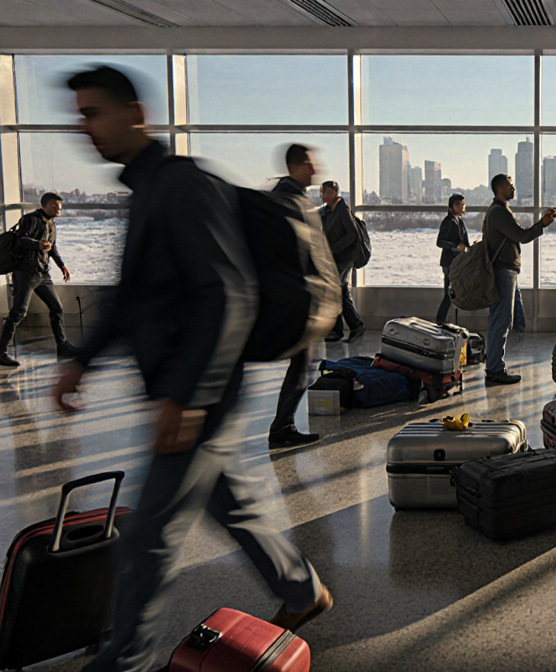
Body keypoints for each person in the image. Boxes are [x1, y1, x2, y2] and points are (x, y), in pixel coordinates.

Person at [53, 66, 332, 672]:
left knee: (150, 540)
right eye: (79, 114)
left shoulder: (181, 186)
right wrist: (82, 359)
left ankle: (123, 661)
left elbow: (228, 294)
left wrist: (188, 396)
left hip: (198, 390)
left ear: (135, 115)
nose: (84, 127)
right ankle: (302, 590)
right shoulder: (150, 187)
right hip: (186, 388)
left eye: (93, 112)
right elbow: (133, 295)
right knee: (231, 501)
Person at [268, 144, 323, 449]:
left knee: (304, 363)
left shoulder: (291, 196)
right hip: (294, 298)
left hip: (297, 295)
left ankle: (282, 425)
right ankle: (280, 428)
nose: (316, 170)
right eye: (310, 164)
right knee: (303, 362)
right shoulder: (287, 200)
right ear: (295, 166)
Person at [483, 173, 556, 385]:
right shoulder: (499, 212)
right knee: (501, 320)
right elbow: (522, 236)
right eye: (510, 186)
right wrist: (542, 223)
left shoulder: (499, 210)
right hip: (503, 271)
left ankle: (494, 365)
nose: (513, 188)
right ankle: (495, 369)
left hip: (506, 270)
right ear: (499, 189)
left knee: (503, 319)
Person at [0, 192, 77, 368]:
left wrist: (61, 265)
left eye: (60, 207)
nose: (58, 210)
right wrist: (38, 244)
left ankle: (63, 346)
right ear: (44, 205)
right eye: (54, 206)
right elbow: (21, 240)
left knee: (57, 308)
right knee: (18, 312)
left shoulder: (51, 222)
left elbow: (52, 247)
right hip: (25, 273)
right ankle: (1, 352)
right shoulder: (30, 219)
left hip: (43, 274)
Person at [320, 180, 365, 342]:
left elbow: (352, 234)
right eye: (323, 192)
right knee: (340, 291)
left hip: (345, 258)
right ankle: (347, 328)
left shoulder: (342, 210)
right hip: (333, 258)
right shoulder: (327, 212)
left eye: (328, 192)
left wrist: (335, 248)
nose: (325, 195)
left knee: (335, 290)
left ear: (335, 193)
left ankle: (349, 327)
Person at [436, 193, 469, 324]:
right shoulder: (448, 222)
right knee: (449, 294)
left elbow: (464, 241)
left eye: (463, 204)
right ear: (451, 207)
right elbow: (440, 242)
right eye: (458, 204)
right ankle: (440, 321)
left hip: (458, 261)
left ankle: (442, 321)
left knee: (452, 293)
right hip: (449, 262)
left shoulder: (460, 222)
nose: (461, 207)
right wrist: (455, 246)